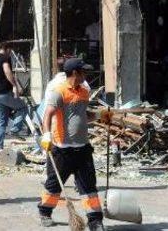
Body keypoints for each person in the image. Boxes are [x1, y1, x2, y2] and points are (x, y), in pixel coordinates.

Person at [38, 58, 107, 230]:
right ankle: (45, 212)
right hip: (62, 149)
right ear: (75, 73)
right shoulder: (58, 92)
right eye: (84, 71)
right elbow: (48, 116)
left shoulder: (84, 91)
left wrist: (100, 115)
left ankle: (95, 221)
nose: (86, 75)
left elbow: (84, 115)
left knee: (88, 186)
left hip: (82, 147)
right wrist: (46, 135)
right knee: (54, 185)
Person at [0, 42, 28, 151]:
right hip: (4, 93)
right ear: (7, 49)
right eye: (10, 51)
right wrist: (15, 86)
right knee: (23, 107)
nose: (10, 53)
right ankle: (15, 129)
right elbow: (7, 71)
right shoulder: (5, 58)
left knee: (2, 121)